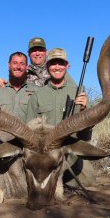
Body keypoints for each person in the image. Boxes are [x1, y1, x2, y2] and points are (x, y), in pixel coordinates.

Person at [26, 47, 93, 188]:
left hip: (70, 148)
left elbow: (85, 135)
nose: (57, 67)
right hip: (46, 154)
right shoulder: (38, 95)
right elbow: (29, 130)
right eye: (53, 63)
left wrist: (85, 110)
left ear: (67, 66)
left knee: (88, 181)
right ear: (47, 66)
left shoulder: (78, 91)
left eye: (61, 63)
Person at [0, 37, 77, 88]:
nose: (37, 53)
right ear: (28, 53)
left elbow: (73, 90)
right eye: (34, 50)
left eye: (40, 50)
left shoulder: (56, 70)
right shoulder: (22, 72)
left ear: (46, 52)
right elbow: (12, 87)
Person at [0, 51, 37, 122]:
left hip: (28, 132)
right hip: (1, 133)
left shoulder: (37, 91)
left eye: (22, 64)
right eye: (15, 63)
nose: (18, 67)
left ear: (26, 67)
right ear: (9, 65)